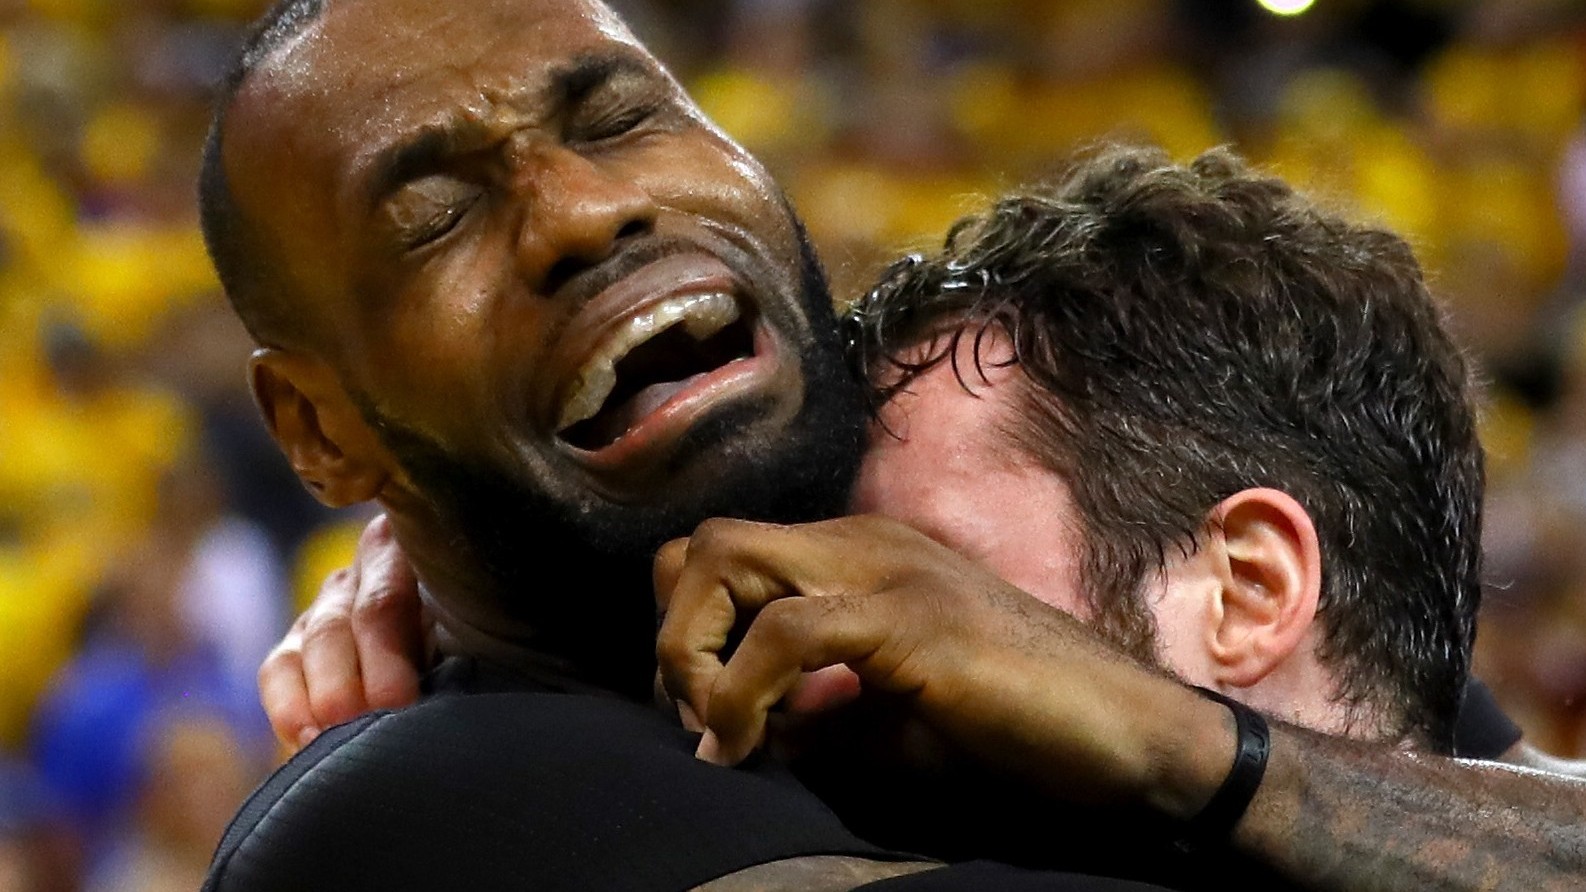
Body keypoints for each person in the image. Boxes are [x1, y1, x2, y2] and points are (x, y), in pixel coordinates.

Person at [206, 0, 1586, 888]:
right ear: (320, 432)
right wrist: (1172, 739)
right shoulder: (419, 823)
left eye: (621, 118)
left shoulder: (990, 587)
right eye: (430, 215)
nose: (580, 212)